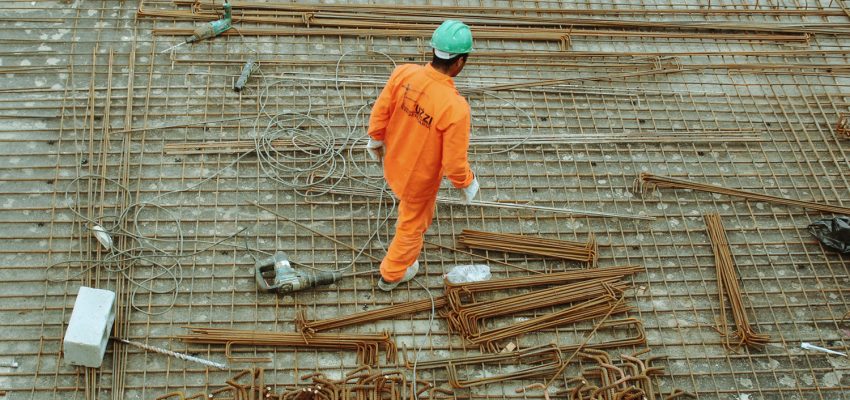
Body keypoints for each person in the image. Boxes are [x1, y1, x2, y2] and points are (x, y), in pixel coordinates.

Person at [365, 20, 479, 291]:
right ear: (460, 62)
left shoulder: (404, 74)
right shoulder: (455, 108)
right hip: (418, 180)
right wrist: (467, 182)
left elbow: (381, 110)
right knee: (412, 225)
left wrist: (375, 138)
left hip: (393, 161)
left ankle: (396, 266)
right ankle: (392, 274)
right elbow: (454, 163)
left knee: (408, 213)